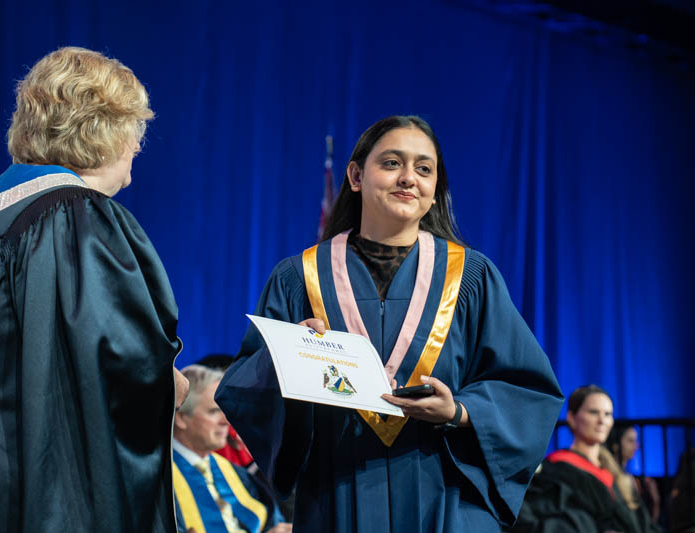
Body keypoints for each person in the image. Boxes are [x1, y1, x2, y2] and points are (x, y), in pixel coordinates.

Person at [215, 115, 564, 531]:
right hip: (337, 500)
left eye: (423, 169)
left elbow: (527, 388)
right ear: (356, 176)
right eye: (391, 163)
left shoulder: (471, 278)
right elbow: (243, 387)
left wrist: (460, 410)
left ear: (435, 193)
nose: (408, 179)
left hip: (446, 503)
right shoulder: (298, 279)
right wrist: (290, 360)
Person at [0, 47, 189, 532]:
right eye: (136, 129)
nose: (138, 146)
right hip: (39, 493)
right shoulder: (78, 217)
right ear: (104, 128)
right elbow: (121, 366)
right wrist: (170, 385)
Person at [515, 385, 659, 533]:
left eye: (608, 414)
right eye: (593, 412)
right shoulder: (555, 469)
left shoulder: (616, 475)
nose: (602, 420)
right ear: (571, 418)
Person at [173, 365, 290, 533]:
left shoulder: (237, 475)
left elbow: (271, 521)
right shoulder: (157, 481)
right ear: (181, 418)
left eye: (225, 412)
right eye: (214, 412)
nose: (226, 422)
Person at [606, 423, 661, 523]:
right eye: (630, 441)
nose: (636, 446)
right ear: (615, 445)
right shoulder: (608, 476)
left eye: (635, 441)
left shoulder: (635, 479)